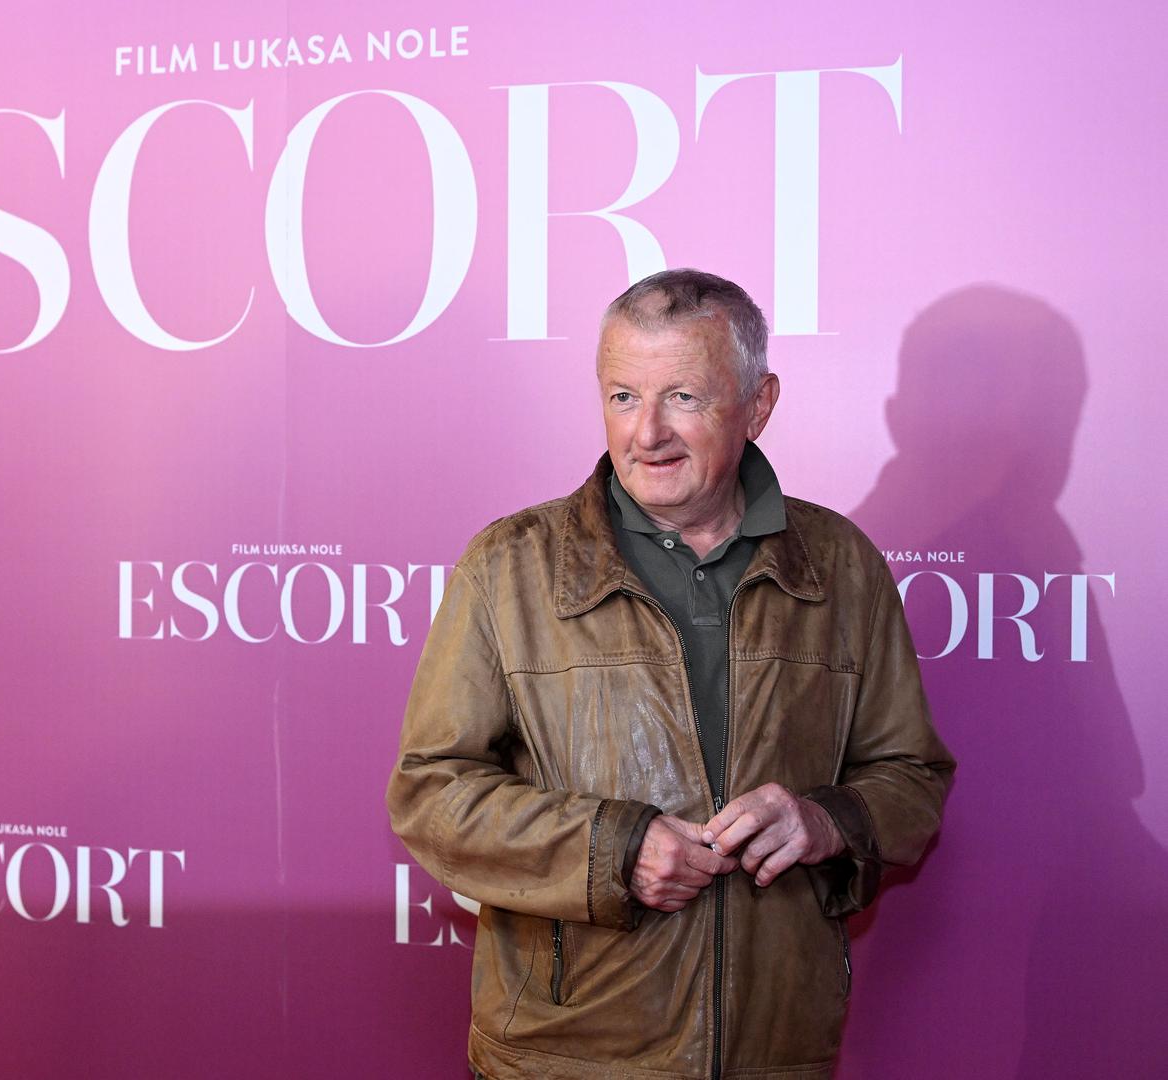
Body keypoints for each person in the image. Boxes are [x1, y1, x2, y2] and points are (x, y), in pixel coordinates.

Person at [387, 269, 954, 1080]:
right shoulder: (509, 567)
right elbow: (431, 792)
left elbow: (912, 777)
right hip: (566, 1059)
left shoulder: (842, 567)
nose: (647, 433)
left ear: (758, 405)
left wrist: (825, 822)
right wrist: (611, 850)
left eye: (684, 397)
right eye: (623, 396)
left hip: (776, 1056)